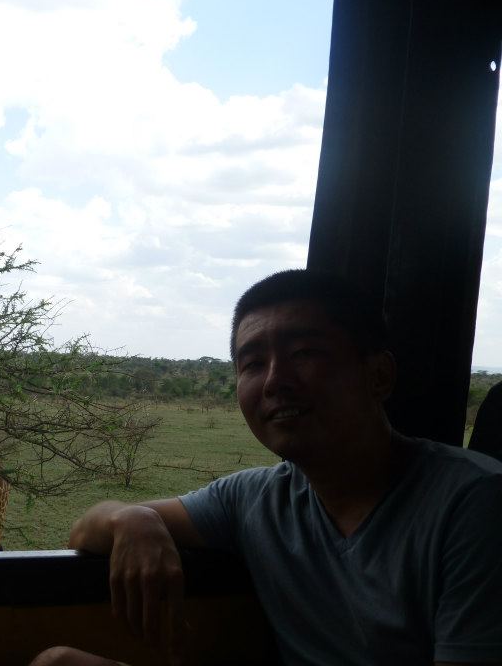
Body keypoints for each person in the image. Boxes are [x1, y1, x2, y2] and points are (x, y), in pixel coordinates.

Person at [30, 269, 502, 666]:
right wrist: (132, 518)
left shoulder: (475, 503)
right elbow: (85, 530)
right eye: (253, 363)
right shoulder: (255, 498)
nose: (276, 381)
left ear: (378, 375)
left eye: (304, 354)